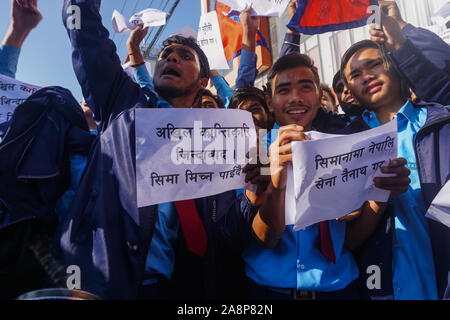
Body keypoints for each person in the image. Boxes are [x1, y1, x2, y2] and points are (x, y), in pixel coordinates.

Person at [56, 0, 258, 300]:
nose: (171, 58)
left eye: (184, 56)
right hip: (99, 283)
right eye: (165, 55)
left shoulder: (217, 143)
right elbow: (84, 33)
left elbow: (231, 231)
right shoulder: (123, 106)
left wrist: (258, 191)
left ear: (203, 81)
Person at [240, 52, 410, 300]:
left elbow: (349, 242)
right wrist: (275, 187)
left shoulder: (351, 148)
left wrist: (380, 194)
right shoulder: (254, 152)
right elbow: (264, 239)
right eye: (284, 90)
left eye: (306, 87)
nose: (296, 98)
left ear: (320, 97)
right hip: (267, 292)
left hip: (340, 290)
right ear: (270, 100)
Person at [341, 21, 450, 299]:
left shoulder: (441, 121)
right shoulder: (342, 144)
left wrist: (401, 34)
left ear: (398, 69)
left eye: (375, 64)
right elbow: (346, 241)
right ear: (349, 91)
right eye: (355, 74)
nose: (366, 75)